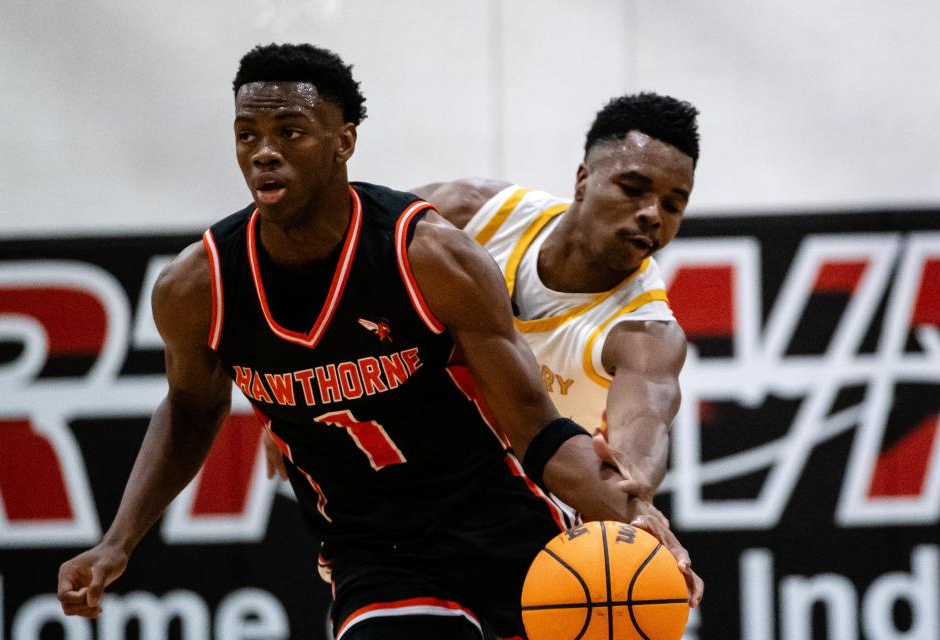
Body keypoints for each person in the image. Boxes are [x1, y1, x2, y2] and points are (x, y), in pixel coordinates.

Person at [56, 44, 701, 639]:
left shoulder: (625, 325)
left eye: (289, 131)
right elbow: (194, 406)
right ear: (583, 178)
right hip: (374, 549)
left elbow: (577, 432)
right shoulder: (200, 285)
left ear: (344, 141)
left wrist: (640, 513)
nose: (263, 152)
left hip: (511, 511)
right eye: (247, 134)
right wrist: (119, 539)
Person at [411, 92, 698, 516]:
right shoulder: (474, 213)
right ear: (582, 180)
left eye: (673, 205)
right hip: (417, 475)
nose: (653, 214)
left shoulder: (644, 332)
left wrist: (634, 485)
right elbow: (347, 240)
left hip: (523, 510)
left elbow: (643, 423)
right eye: (633, 189)